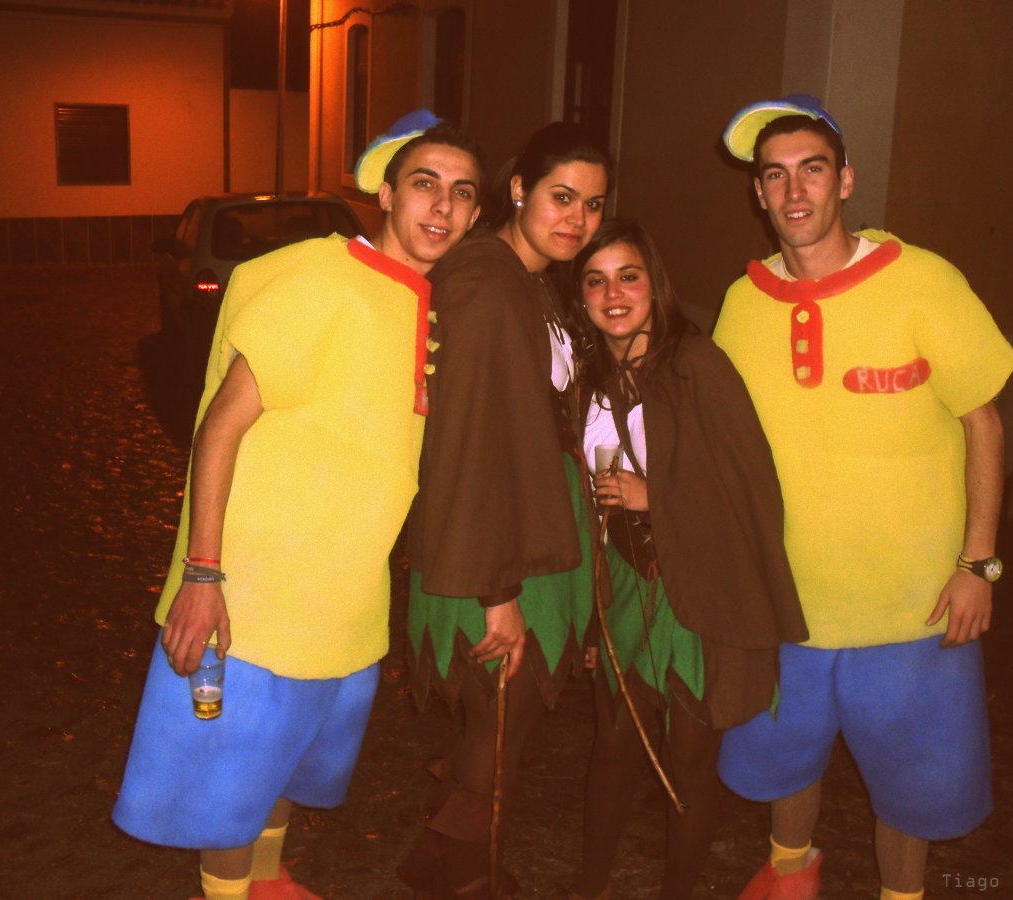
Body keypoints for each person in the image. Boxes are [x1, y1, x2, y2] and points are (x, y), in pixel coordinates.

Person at [112, 110, 483, 900]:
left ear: (477, 213)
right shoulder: (322, 280)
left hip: (342, 603)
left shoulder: (427, 305)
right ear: (387, 194)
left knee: (283, 764)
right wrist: (203, 575)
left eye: (461, 193)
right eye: (425, 184)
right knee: (229, 788)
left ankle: (270, 880)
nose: (442, 206)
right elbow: (220, 427)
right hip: (257, 598)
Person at [712, 94, 1013, 900]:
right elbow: (721, 447)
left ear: (845, 180)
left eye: (812, 169)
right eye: (774, 175)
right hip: (785, 604)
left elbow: (984, 424)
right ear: (757, 192)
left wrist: (979, 565)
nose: (794, 191)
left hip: (912, 608)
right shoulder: (742, 304)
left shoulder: (923, 281)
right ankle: (790, 878)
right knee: (786, 761)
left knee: (913, 788)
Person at [397, 122, 611, 898]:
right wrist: (498, 595)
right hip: (495, 548)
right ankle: (467, 876)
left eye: (592, 204)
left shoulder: (530, 279)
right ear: (518, 189)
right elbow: (473, 439)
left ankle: (438, 862)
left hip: (530, 529)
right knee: (500, 724)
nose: (577, 219)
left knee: (503, 725)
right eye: (561, 197)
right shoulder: (488, 282)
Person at [566, 219, 808, 900]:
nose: (613, 294)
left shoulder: (698, 364)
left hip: (694, 593)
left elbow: (752, 489)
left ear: (655, 284)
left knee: (689, 762)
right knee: (613, 748)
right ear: (581, 297)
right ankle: (589, 888)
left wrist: (657, 497)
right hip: (623, 587)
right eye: (596, 281)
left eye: (628, 277)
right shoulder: (588, 380)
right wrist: (591, 608)